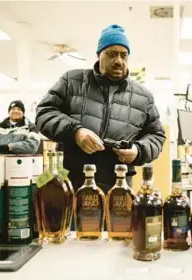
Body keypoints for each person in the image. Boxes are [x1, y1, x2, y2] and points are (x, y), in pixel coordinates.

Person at [36, 24, 166, 192]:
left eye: (123, 55)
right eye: (112, 54)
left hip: (119, 187)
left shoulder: (143, 96)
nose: (119, 61)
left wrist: (138, 150)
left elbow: (156, 135)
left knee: (116, 220)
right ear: (99, 55)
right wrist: (76, 132)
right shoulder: (72, 81)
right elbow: (44, 112)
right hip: (71, 182)